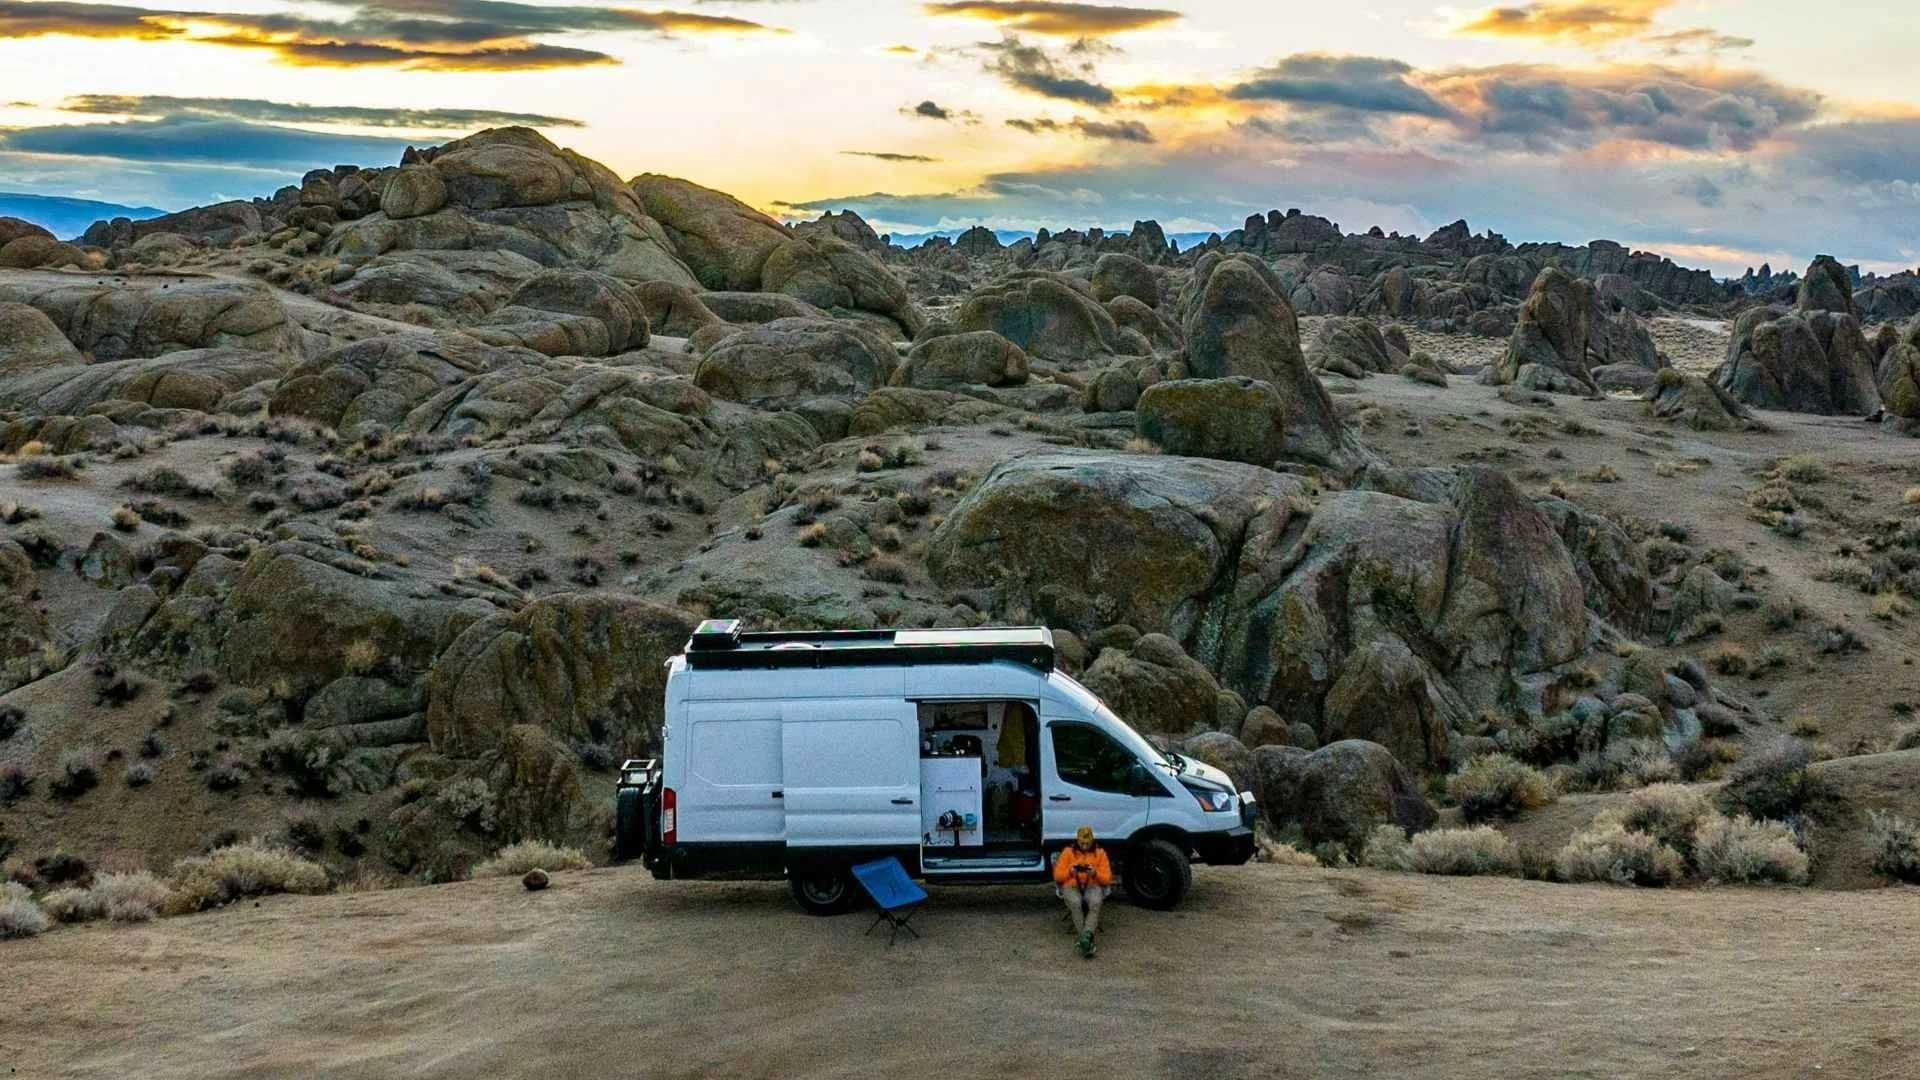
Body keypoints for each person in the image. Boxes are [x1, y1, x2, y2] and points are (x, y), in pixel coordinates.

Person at [1053, 825, 1112, 959]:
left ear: (1092, 841)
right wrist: (1070, 872)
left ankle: (1086, 937)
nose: (1084, 846)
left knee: (1095, 902)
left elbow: (1107, 878)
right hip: (1071, 886)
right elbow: (1057, 876)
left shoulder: (1100, 853)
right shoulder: (1068, 852)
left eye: (1087, 843)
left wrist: (1095, 873)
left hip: (1092, 885)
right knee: (1075, 902)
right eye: (1082, 843)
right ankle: (1085, 938)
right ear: (1077, 840)